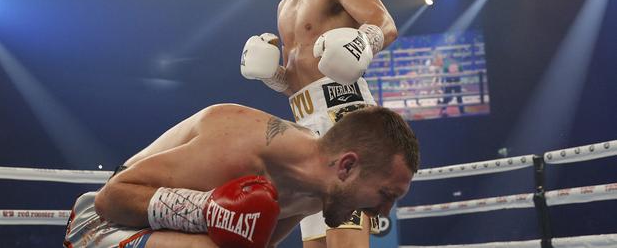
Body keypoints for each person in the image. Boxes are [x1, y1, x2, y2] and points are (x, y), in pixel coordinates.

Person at [240, 0, 398, 247]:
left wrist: (363, 41)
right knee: (316, 243)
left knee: (345, 239)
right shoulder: (283, 7)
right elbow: (296, 84)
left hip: (347, 119)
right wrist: (274, 77)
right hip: (304, 127)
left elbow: (385, 24)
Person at [63, 103, 419, 248]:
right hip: (100, 225)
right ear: (347, 166)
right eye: (385, 194)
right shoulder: (241, 146)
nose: (384, 212)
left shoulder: (319, 191)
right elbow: (111, 199)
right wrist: (206, 209)